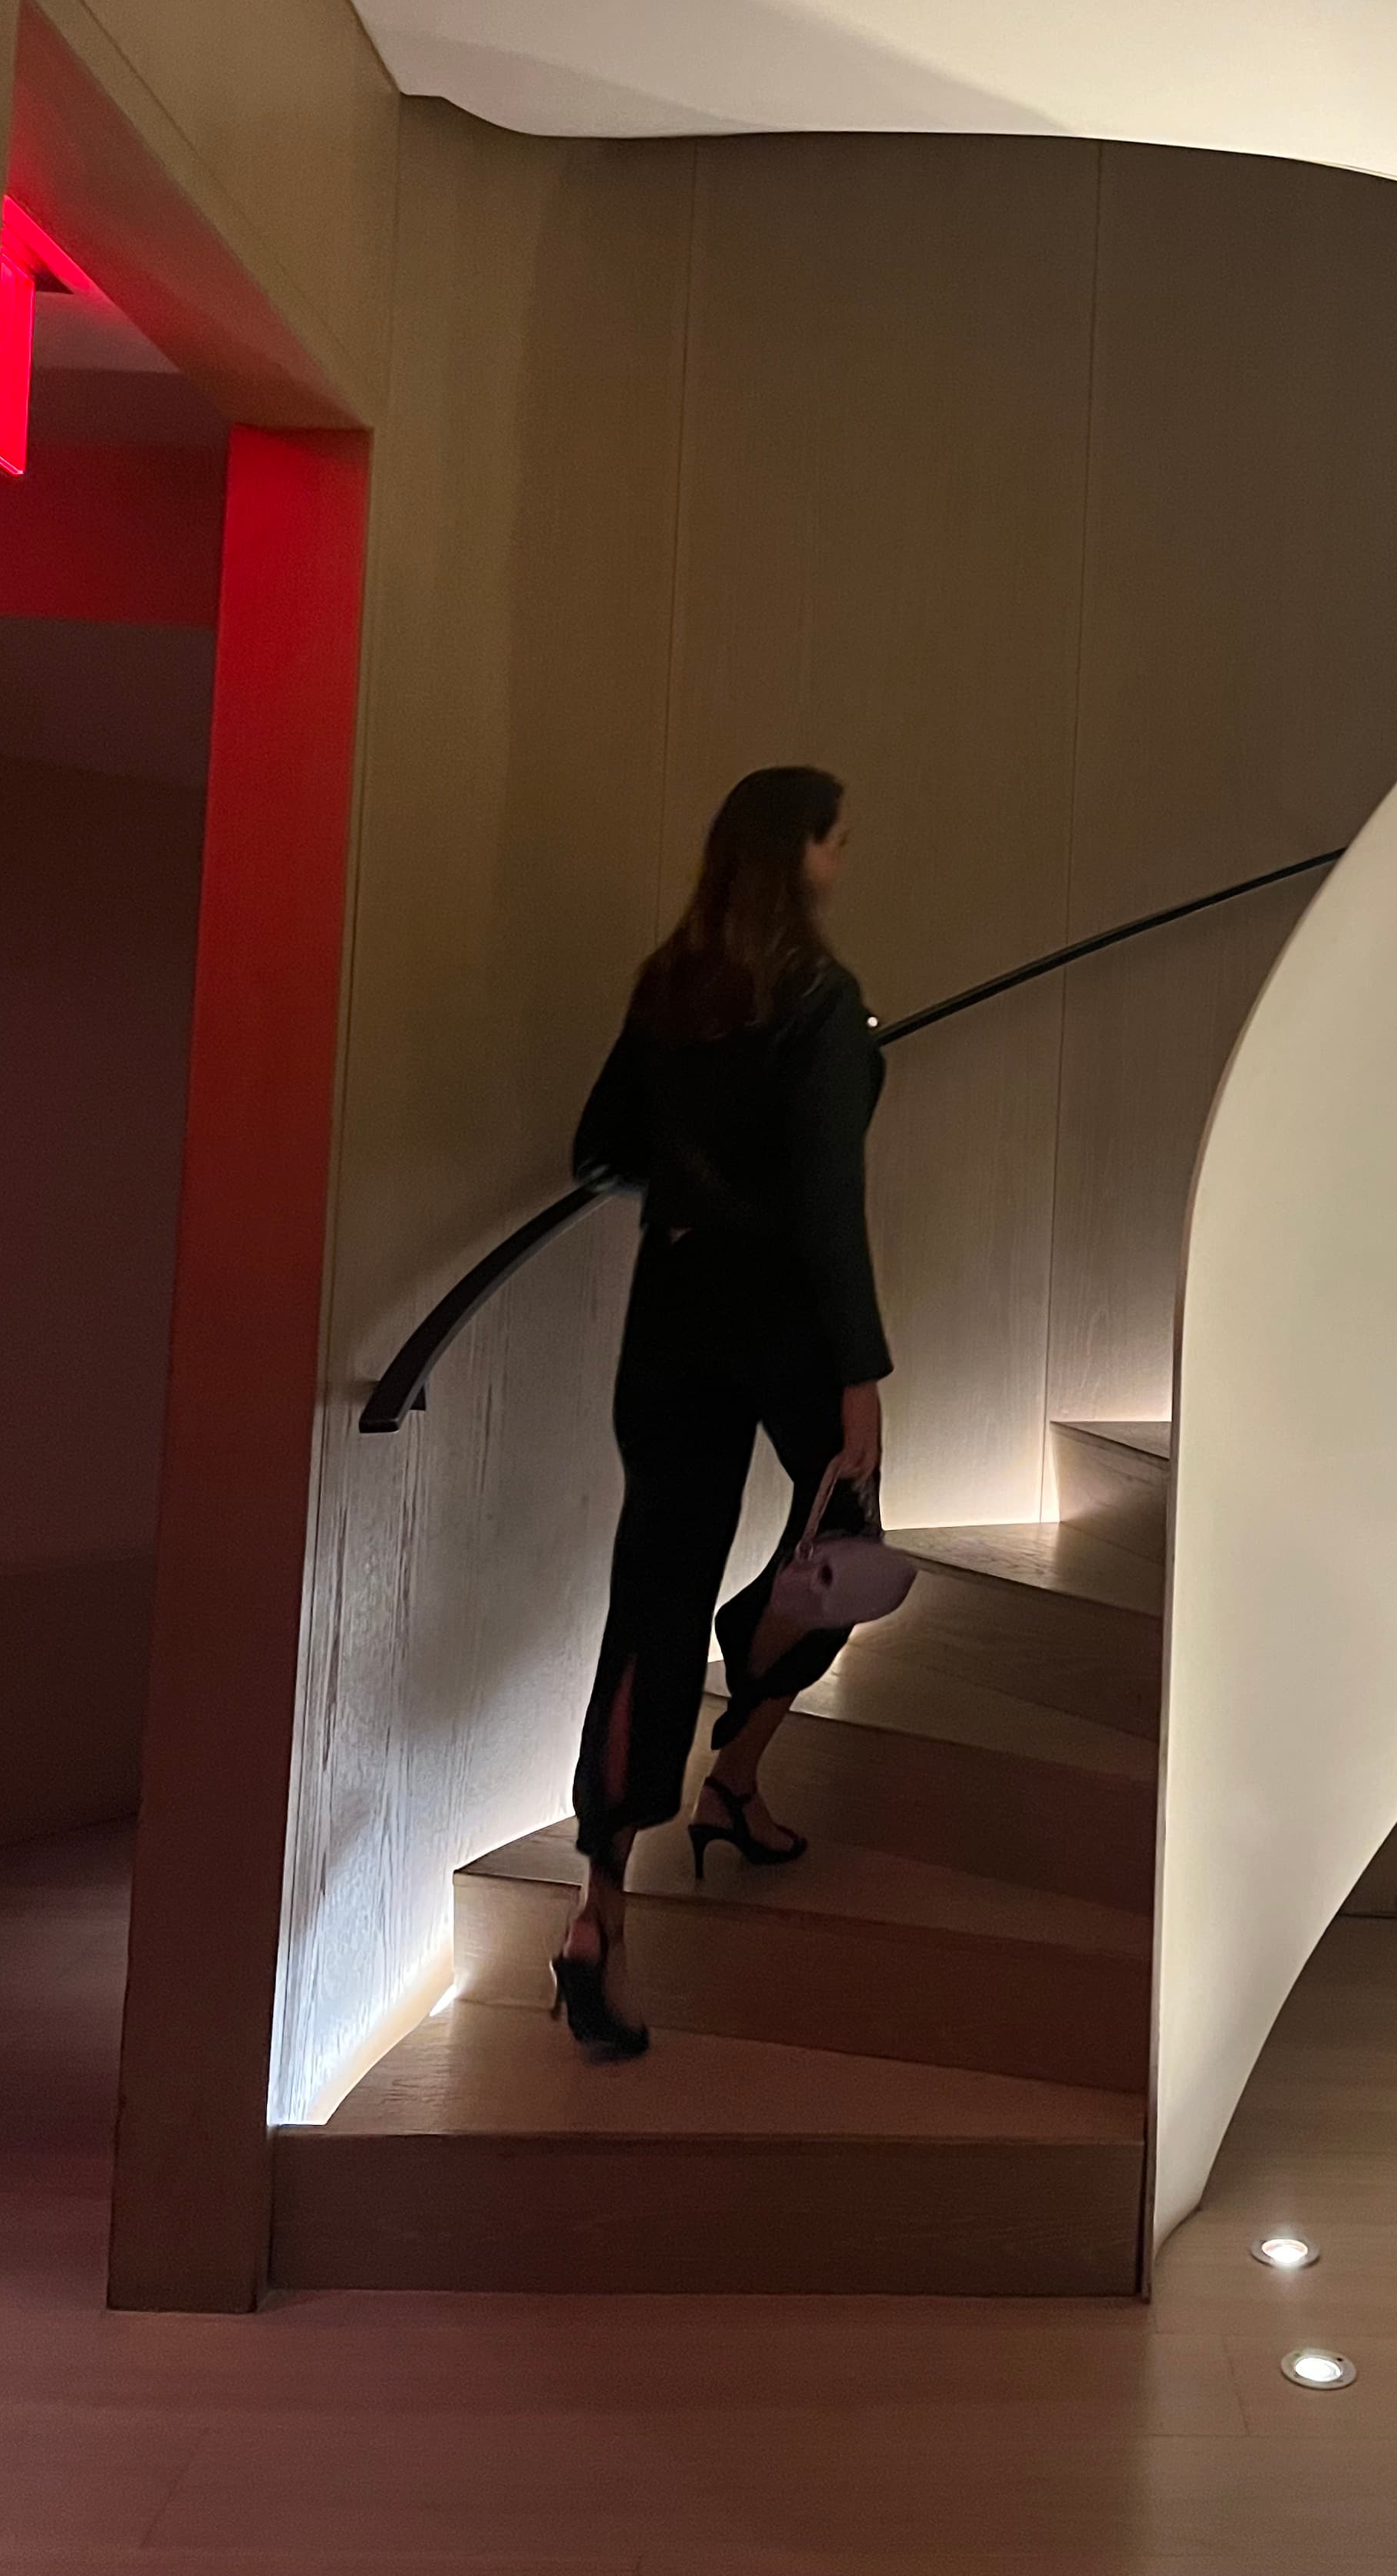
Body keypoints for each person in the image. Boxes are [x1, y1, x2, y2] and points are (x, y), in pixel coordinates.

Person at [550, 765, 890, 2058]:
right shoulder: (819, 998)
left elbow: (596, 1151)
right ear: (801, 852)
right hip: (789, 1324)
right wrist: (860, 1373)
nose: (842, 859)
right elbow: (827, 1205)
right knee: (845, 1557)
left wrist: (693, 1187)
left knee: (651, 1596)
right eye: (837, 839)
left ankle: (598, 1909)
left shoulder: (670, 986)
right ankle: (736, 1758)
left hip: (673, 1314)